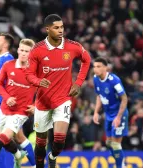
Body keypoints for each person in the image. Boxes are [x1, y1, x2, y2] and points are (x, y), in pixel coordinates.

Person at [25, 14, 91, 168]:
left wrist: (79, 82)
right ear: (47, 29)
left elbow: (86, 60)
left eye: (61, 27)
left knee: (60, 139)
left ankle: (53, 156)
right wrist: (38, 81)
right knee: (41, 142)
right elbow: (28, 74)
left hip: (63, 99)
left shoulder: (72, 46)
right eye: (56, 28)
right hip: (43, 101)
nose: (60, 30)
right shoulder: (37, 50)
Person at [0, 39, 37, 168]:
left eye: (27, 51)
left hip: (21, 112)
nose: (23, 53)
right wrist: (7, 97)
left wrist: (36, 105)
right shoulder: (8, 65)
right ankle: (18, 155)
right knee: (7, 140)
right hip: (5, 109)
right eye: (21, 50)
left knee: (1, 139)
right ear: (17, 50)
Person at [92, 57, 128, 168]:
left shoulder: (114, 80)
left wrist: (118, 117)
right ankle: (120, 163)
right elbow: (99, 96)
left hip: (118, 114)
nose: (95, 69)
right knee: (109, 143)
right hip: (108, 115)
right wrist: (96, 112)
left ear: (105, 68)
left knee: (116, 144)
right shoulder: (95, 79)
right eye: (94, 66)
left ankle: (120, 166)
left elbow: (124, 98)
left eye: (98, 66)